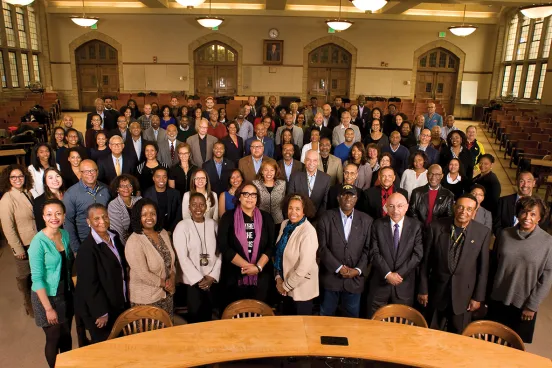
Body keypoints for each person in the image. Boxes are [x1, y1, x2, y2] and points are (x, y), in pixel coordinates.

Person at [418, 194, 490, 333]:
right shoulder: (436, 226)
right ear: (454, 207)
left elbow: (483, 269)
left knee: (458, 335)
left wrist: (478, 297)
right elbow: (426, 262)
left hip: (464, 295)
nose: (464, 212)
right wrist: (423, 289)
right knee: (431, 333)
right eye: (460, 207)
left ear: (474, 212)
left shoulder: (482, 233)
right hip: (437, 292)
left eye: (469, 209)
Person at [487, 196, 552, 343]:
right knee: (491, 342)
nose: (527, 217)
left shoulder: (548, 242)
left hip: (524, 304)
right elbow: (494, 266)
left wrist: (532, 305)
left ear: (540, 218)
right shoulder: (505, 234)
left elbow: (547, 278)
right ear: (517, 214)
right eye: (524, 212)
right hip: (498, 298)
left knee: (515, 348)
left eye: (533, 214)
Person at [28, 199, 73, 368]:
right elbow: (37, 279)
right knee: (54, 337)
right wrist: (48, 308)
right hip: (45, 297)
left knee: (67, 335)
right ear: (43, 217)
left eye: (58, 213)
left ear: (64, 215)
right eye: (49, 214)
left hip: (64, 293)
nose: (54, 217)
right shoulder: (37, 243)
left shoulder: (65, 234)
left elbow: (66, 264)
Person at [75, 203, 128, 343]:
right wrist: (101, 312)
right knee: (107, 347)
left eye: (105, 216)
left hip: (117, 300)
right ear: (89, 222)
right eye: (96, 218)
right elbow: (88, 285)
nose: (102, 221)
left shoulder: (114, 236)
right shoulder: (86, 250)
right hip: (101, 310)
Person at [217, 184, 275, 307]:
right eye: (246, 194)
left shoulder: (267, 218)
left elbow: (270, 247)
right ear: (239, 196)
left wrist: (258, 267)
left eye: (254, 195)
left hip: (261, 275)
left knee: (260, 315)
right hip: (235, 275)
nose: (250, 198)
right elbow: (224, 246)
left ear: (257, 198)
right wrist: (248, 267)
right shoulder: (228, 217)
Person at [318, 185, 372, 317]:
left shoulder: (367, 220)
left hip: (354, 280)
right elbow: (322, 248)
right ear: (338, 198)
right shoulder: (326, 217)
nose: (348, 198)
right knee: (325, 317)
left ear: (356, 199)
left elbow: (368, 249)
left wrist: (358, 270)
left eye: (352, 195)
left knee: (352, 321)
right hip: (331, 279)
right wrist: (338, 267)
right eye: (344, 195)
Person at [368, 192, 423, 317]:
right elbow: (373, 252)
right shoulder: (377, 224)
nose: (395, 210)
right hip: (380, 285)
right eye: (391, 206)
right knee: (374, 323)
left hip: (403, 285)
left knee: (401, 326)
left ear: (407, 207)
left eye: (399, 206)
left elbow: (417, 255)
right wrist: (388, 274)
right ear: (386, 207)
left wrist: (398, 275)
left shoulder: (416, 226)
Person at [173, 193, 221, 323]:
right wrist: (200, 279)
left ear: (206, 207)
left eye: (201, 204)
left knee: (210, 316)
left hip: (211, 280)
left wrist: (212, 276)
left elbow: (220, 252)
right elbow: (182, 257)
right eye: (194, 205)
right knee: (195, 318)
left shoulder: (214, 224)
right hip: (192, 282)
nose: (198, 208)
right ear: (189, 207)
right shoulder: (182, 226)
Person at [126, 198, 176, 318]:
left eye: (153, 214)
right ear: (138, 217)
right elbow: (143, 273)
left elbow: (171, 261)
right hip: (146, 298)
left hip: (166, 295)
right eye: (144, 214)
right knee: (150, 335)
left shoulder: (163, 233)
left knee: (167, 332)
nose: (149, 217)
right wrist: (166, 284)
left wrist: (173, 277)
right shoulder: (134, 241)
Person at [0, 164, 37, 317]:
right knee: (26, 277)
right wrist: (17, 249)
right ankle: (30, 306)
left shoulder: (27, 193)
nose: (17, 179)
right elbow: (8, 228)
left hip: (35, 240)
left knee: (36, 275)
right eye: (13, 177)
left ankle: (38, 302)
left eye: (20, 176)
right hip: (24, 244)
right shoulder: (7, 199)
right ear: (8, 180)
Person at [274, 193, 319, 315]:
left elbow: (303, 267)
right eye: (290, 208)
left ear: (304, 211)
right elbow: (279, 253)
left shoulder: (308, 232)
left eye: (297, 209)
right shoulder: (285, 224)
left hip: (301, 290)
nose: (293, 212)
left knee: (300, 330)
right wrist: (278, 278)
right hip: (283, 285)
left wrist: (285, 286)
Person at [63, 160, 111, 253]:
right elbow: (68, 222)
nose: (90, 174)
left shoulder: (106, 189)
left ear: (97, 172)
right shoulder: (71, 193)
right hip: (84, 242)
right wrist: (76, 249)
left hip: (105, 239)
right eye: (86, 171)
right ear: (80, 173)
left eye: (93, 170)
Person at [287, 150, 331, 220]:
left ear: (319, 162)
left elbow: (324, 203)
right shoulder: (294, 176)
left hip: (317, 219)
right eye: (308, 160)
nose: (311, 163)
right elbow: (290, 199)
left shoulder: (326, 178)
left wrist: (318, 220)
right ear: (304, 161)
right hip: (297, 218)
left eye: (315, 160)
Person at [493, 171, 536, 237]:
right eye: (522, 181)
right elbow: (497, 226)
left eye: (528, 181)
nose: (525, 185)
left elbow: (541, 231)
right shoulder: (503, 201)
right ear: (516, 182)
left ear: (534, 183)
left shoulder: (539, 205)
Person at [143, 167, 182, 233]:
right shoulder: (147, 194)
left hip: (173, 230)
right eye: (158, 177)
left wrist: (171, 230)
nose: (161, 179)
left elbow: (179, 215)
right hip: (154, 230)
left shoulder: (175, 194)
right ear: (153, 178)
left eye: (164, 177)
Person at [107, 174, 142, 245]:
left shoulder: (140, 200)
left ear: (133, 188)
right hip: (124, 243)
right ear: (117, 189)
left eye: (129, 185)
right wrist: (127, 247)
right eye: (122, 186)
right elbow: (117, 232)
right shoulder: (113, 205)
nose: (126, 188)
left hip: (142, 239)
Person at [253, 160, 286, 232]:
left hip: (278, 221)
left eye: (272, 170)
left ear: (275, 172)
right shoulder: (255, 184)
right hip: (261, 220)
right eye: (266, 170)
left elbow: (284, 203)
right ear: (262, 171)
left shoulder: (282, 184)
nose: (269, 173)